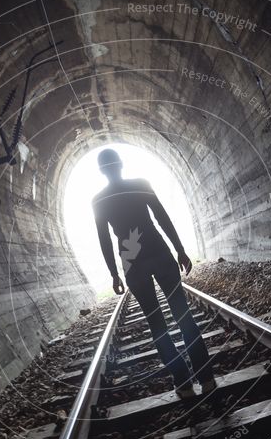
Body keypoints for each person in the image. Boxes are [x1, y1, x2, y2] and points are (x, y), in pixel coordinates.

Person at [91, 148, 215, 399]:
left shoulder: (99, 200)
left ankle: (182, 383)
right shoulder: (140, 184)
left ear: (102, 170)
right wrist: (180, 250)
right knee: (183, 315)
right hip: (159, 254)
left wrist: (114, 274)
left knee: (156, 323)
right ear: (121, 164)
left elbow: (104, 239)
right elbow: (162, 217)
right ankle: (207, 378)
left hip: (132, 263)